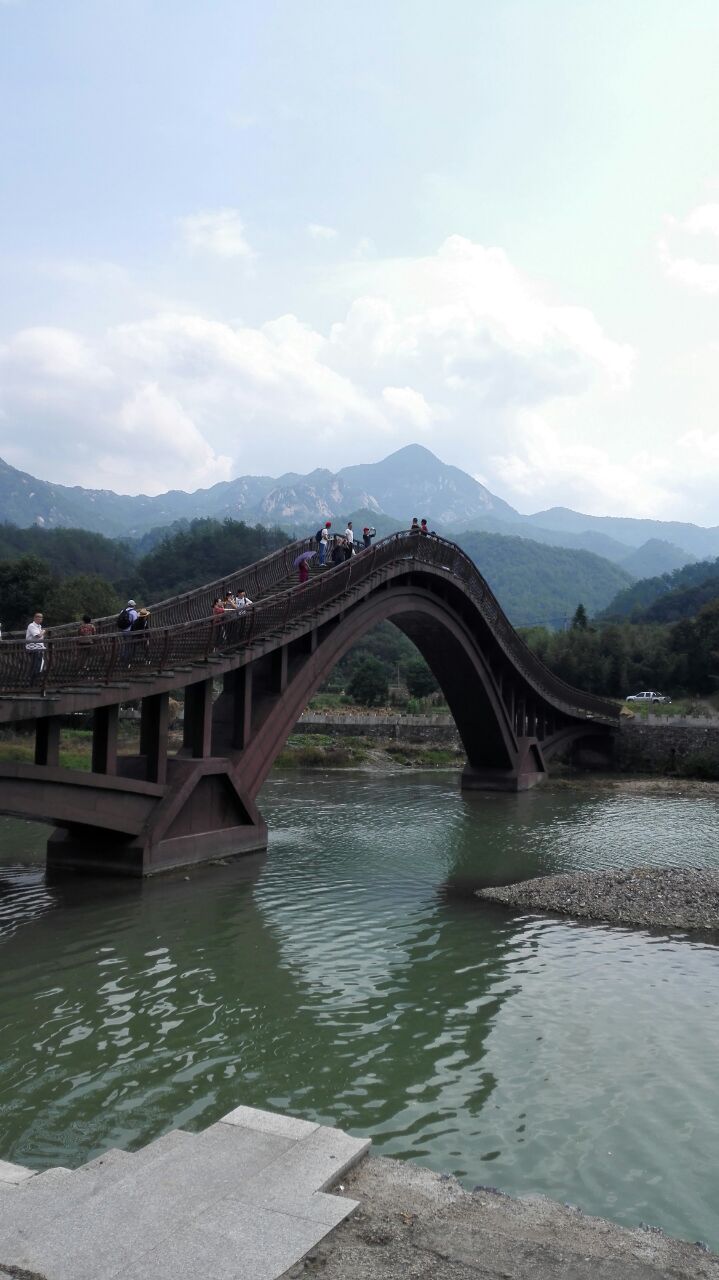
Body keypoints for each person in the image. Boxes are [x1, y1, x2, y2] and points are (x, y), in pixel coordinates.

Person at [25, 611, 46, 680]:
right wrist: (43, 631)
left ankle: (36, 679)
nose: (40, 619)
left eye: (41, 617)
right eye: (38, 617)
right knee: (36, 664)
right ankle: (32, 680)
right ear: (34, 618)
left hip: (39, 647)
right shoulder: (31, 625)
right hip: (33, 648)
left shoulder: (39, 626)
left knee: (39, 664)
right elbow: (38, 636)